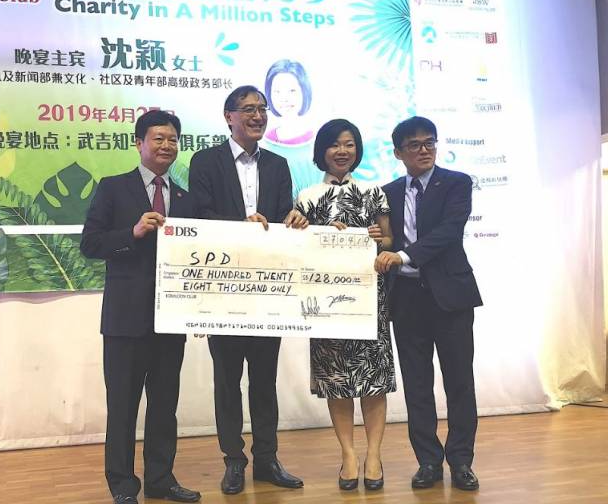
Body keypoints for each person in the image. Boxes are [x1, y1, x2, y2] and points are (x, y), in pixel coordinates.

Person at [188, 85, 308, 495]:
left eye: (262, 109)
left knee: (264, 379)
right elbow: (200, 215)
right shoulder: (205, 161)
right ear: (229, 117)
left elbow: (282, 214)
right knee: (227, 380)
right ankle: (233, 461)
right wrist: (240, 227)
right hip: (223, 288)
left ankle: (267, 459)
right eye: (249, 109)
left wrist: (292, 218)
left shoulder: (278, 164)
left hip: (267, 289)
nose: (258, 116)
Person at [80, 110, 201, 504]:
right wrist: (131, 233)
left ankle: (161, 480)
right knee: (123, 408)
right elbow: (90, 244)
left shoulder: (186, 199)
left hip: (170, 320)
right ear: (139, 143)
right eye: (158, 138)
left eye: (172, 139)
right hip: (125, 320)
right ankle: (122, 486)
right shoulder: (114, 188)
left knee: (165, 406)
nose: (166, 146)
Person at [375, 116, 482, 491]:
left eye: (429, 143)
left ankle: (462, 461)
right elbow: (385, 240)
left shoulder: (456, 183)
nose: (424, 150)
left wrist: (403, 256)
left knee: (459, 381)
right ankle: (428, 462)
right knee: (417, 385)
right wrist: (376, 240)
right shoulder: (386, 192)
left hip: (450, 297)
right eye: (415, 145)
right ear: (398, 152)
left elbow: (448, 233)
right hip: (406, 299)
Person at [294, 119, 396, 491]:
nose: (342, 151)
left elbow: (389, 241)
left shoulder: (373, 192)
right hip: (326, 302)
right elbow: (298, 248)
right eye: (335, 144)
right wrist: (309, 231)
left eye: (349, 144)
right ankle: (348, 455)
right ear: (321, 150)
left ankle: (374, 455)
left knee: (372, 381)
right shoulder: (307, 196)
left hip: (368, 297)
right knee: (337, 381)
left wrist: (377, 240)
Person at [261, 59, 322, 197]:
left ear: (304, 91)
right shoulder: (263, 145)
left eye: (292, 91)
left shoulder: (320, 142)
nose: (284, 98)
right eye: (277, 91)